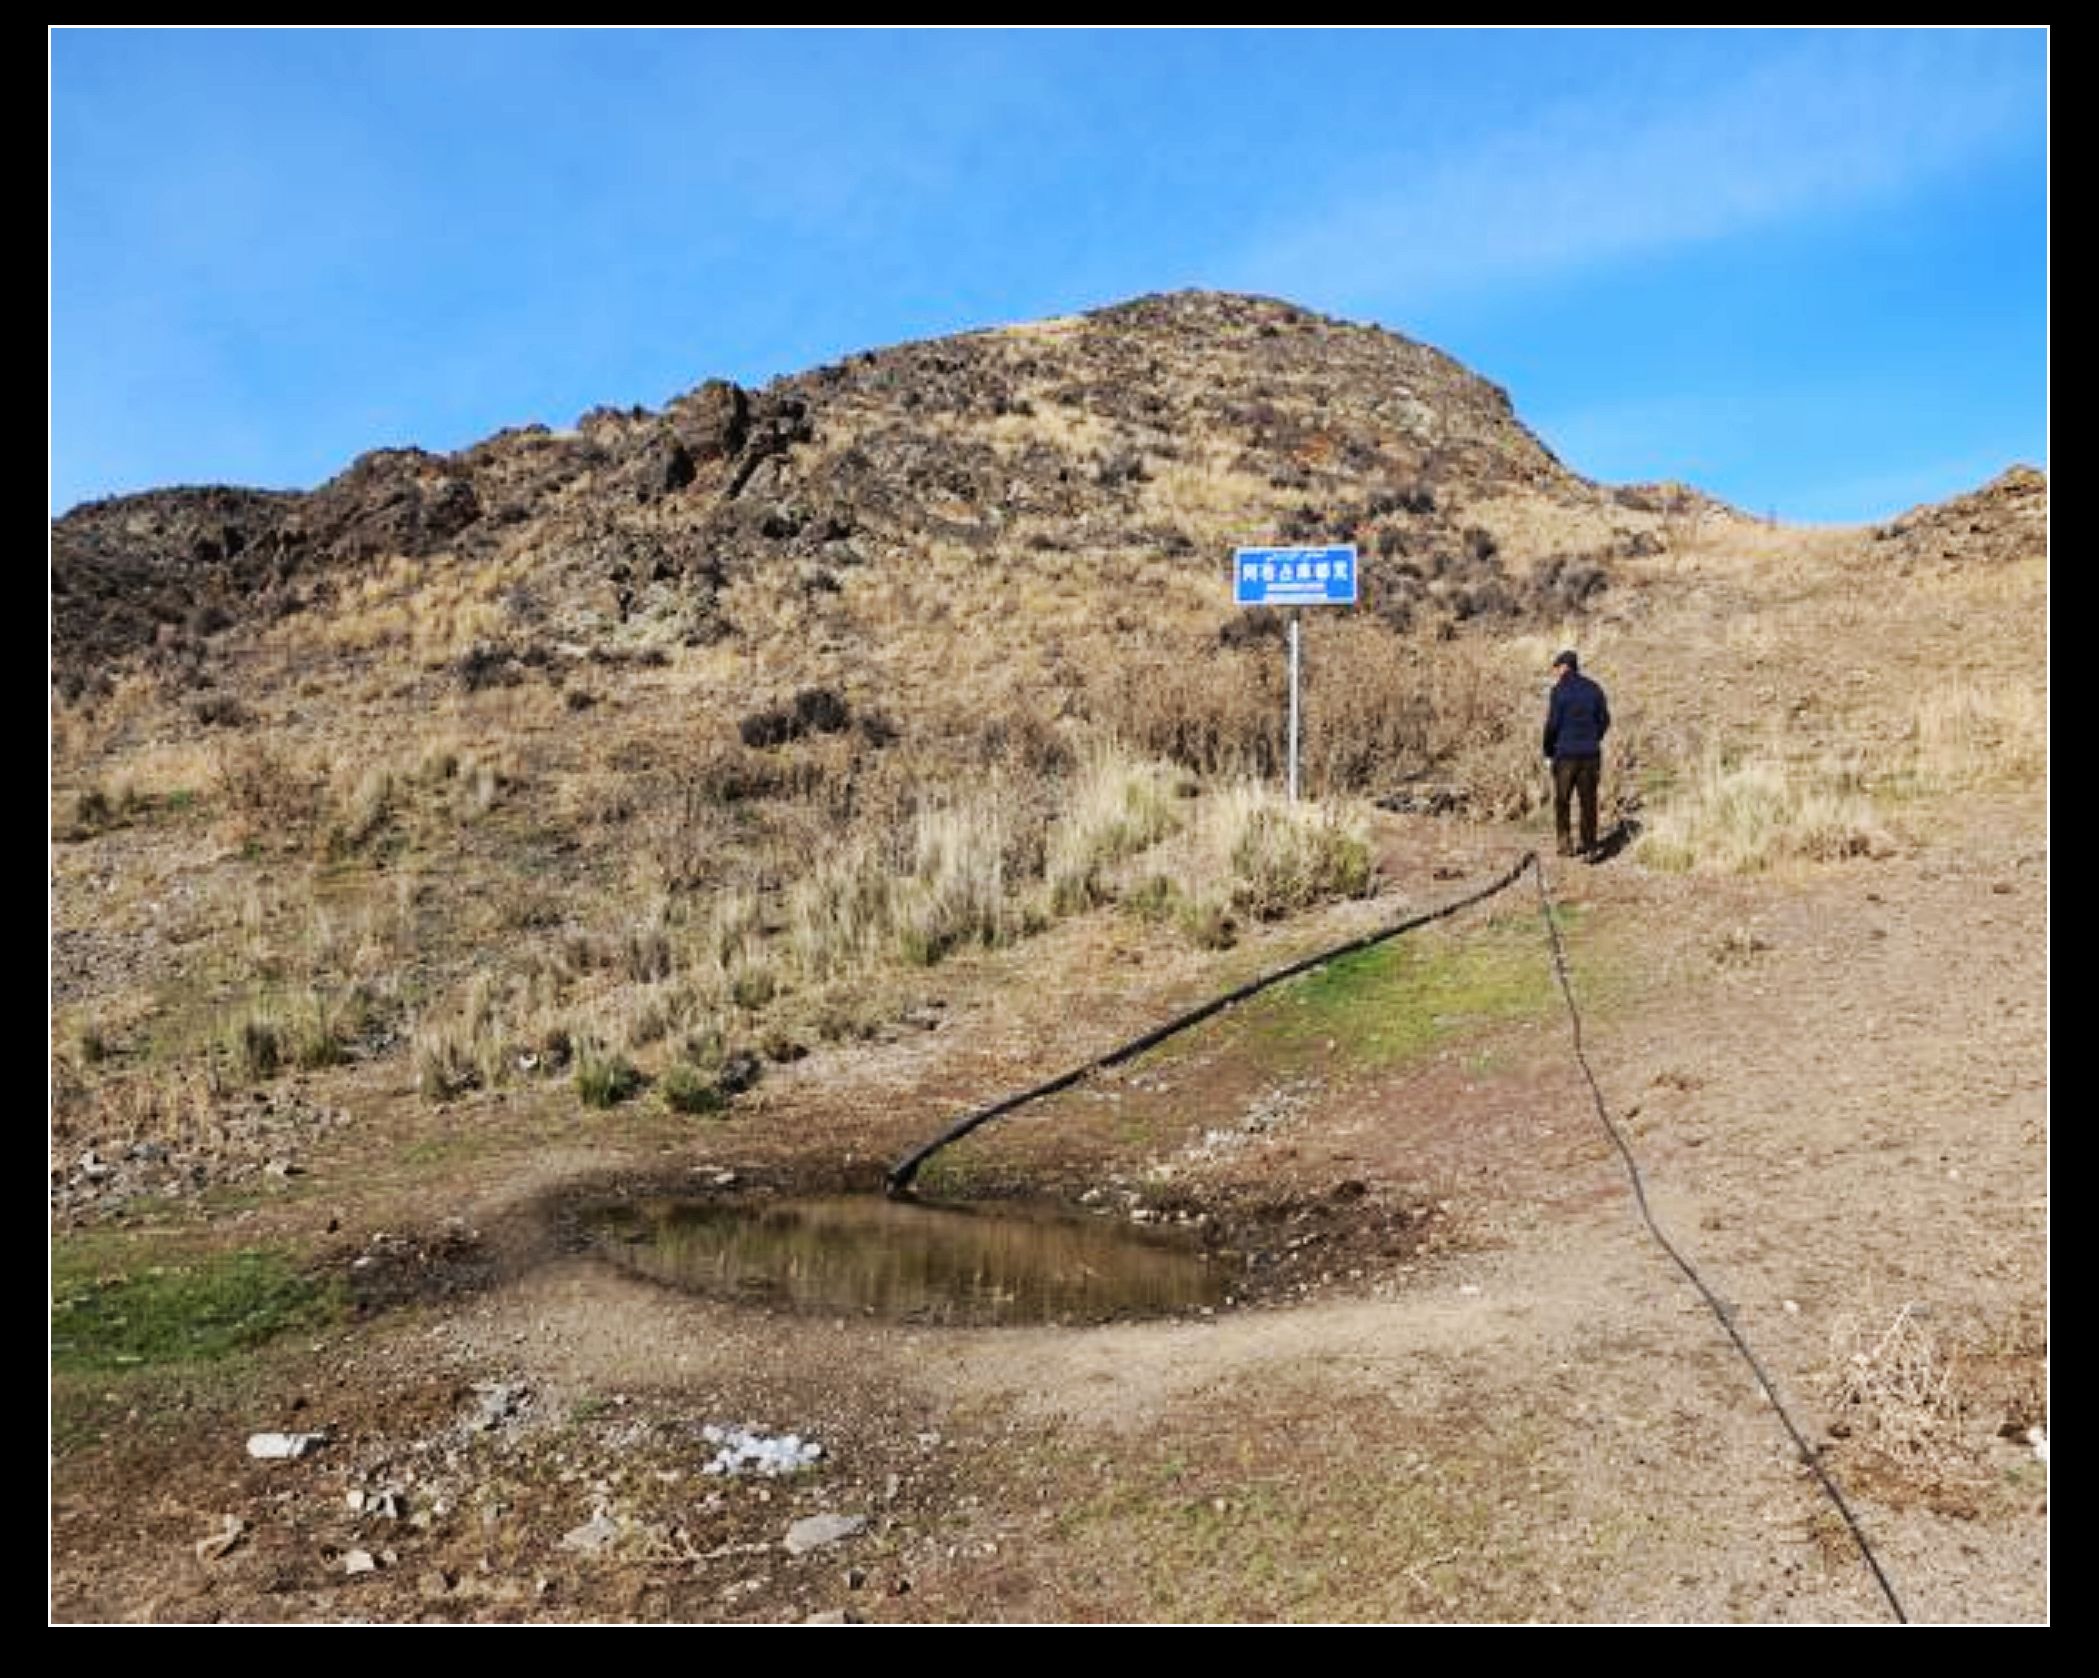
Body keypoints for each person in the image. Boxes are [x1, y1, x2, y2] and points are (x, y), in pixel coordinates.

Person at [1543, 649, 1610, 859]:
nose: (1556, 672)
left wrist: (1548, 751)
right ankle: (1590, 847)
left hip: (1565, 755)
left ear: (1564, 667)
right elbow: (1605, 720)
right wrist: (1594, 738)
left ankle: (1565, 845)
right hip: (1590, 753)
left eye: (1557, 667)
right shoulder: (1594, 688)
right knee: (1588, 801)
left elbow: (1552, 725)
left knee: (1562, 801)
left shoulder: (1558, 691)